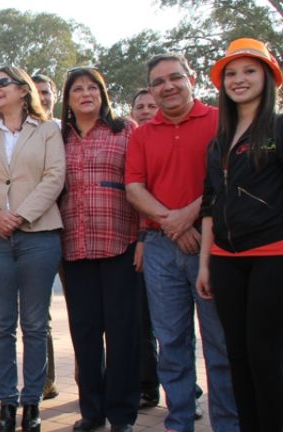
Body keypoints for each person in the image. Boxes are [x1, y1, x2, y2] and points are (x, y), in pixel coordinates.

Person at [125, 53, 239, 432]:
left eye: (175, 78)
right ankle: (179, 424)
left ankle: (231, 431)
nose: (168, 86)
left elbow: (226, 178)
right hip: (160, 248)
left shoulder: (220, 119)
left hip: (212, 244)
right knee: (171, 341)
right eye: (158, 82)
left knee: (219, 341)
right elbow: (134, 187)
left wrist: (187, 219)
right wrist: (172, 224)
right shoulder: (142, 133)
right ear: (151, 89)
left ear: (191, 79)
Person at [0, 67, 64, 432]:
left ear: (24, 90)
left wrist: (20, 215)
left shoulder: (48, 130)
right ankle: (7, 402)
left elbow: (55, 176)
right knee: (1, 324)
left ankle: (32, 401)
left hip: (38, 235)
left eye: (2, 83)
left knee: (36, 324)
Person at [197, 38, 283, 432]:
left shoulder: (279, 129)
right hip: (224, 260)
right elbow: (210, 203)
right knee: (237, 354)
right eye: (231, 73)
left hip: (272, 256)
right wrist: (204, 265)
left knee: (265, 353)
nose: (239, 80)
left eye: (249, 71)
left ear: (268, 77)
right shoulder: (218, 142)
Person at [58, 67, 139, 432]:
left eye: (93, 87)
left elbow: (142, 183)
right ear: (68, 98)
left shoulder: (126, 131)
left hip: (120, 243)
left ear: (103, 94)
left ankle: (122, 412)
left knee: (122, 333)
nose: (86, 93)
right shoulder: (58, 139)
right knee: (85, 332)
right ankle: (92, 410)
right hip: (74, 248)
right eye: (78, 89)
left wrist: (141, 239)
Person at [129, 87, 162, 411]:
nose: (146, 110)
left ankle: (188, 390)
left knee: (174, 325)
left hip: (176, 238)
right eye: (140, 106)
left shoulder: (166, 140)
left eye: (152, 105)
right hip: (143, 242)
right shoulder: (132, 142)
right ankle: (147, 386)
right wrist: (140, 239)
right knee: (142, 321)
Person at [30, 72, 61, 401]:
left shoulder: (65, 131)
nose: (42, 98)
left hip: (77, 233)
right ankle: (45, 380)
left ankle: (89, 380)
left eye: (46, 92)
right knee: (39, 312)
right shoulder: (23, 136)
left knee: (84, 315)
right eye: (35, 92)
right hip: (39, 230)